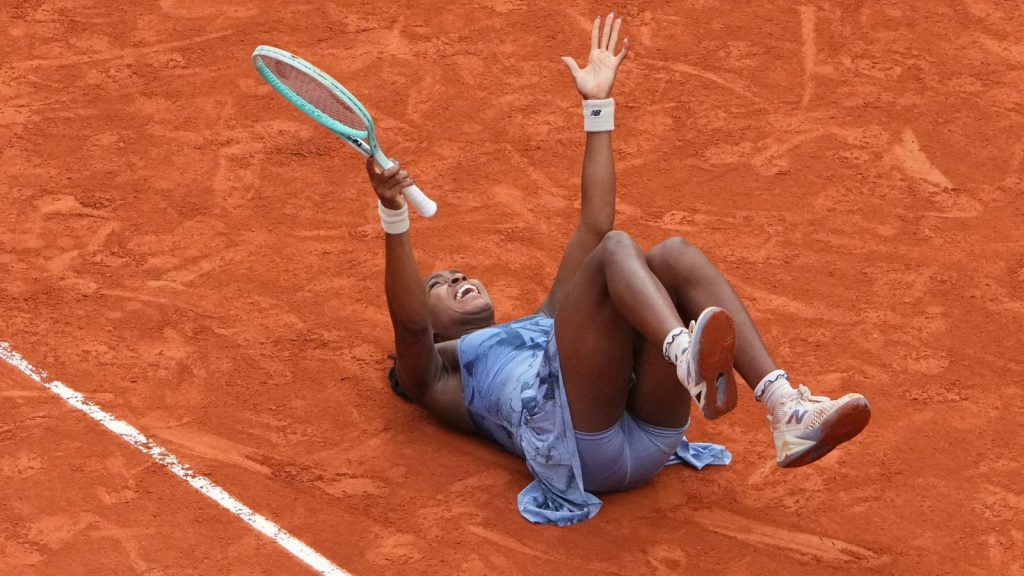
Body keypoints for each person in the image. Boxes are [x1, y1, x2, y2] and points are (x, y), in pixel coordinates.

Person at [367, 13, 870, 526]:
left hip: (652, 431)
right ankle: (682, 354)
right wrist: (394, 214)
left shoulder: (551, 320)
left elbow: (594, 220)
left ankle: (784, 405)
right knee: (615, 250)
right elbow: (408, 323)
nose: (454, 278)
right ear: (431, 329)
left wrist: (598, 105)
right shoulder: (438, 372)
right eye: (438, 283)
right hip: (580, 450)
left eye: (454, 273)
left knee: (670, 253)